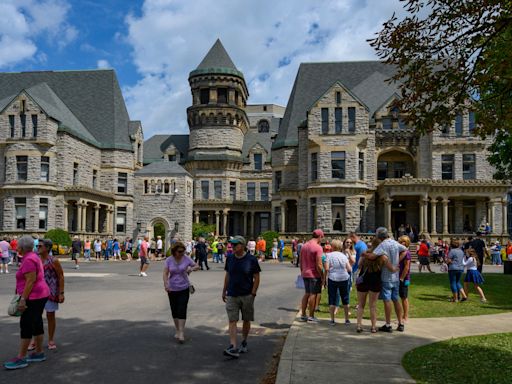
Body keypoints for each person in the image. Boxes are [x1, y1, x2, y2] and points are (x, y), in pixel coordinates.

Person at [4, 236, 50, 370]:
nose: (15, 247)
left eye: (17, 245)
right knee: (36, 323)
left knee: (26, 324)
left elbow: (31, 280)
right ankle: (38, 352)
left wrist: (22, 299)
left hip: (34, 296)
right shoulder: (33, 256)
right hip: (40, 294)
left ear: (22, 247)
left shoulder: (29, 259)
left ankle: (21, 357)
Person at [222, 236, 261, 358]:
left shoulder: (251, 259)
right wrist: (224, 291)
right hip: (232, 294)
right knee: (232, 320)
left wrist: (253, 293)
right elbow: (228, 275)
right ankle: (233, 346)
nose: (232, 247)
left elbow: (257, 277)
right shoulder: (230, 258)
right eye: (232, 245)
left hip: (246, 294)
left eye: (235, 245)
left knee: (246, 319)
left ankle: (244, 341)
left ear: (243, 245)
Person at [365, 227, 407, 333]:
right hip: (396, 277)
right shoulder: (394, 243)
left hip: (386, 276)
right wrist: (398, 261)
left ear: (379, 236)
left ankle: (388, 324)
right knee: (396, 299)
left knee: (387, 300)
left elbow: (372, 256)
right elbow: (405, 250)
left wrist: (365, 254)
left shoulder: (383, 245)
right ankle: (400, 322)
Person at [163, 241, 199, 343]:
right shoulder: (169, 260)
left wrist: (191, 269)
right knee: (174, 310)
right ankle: (178, 330)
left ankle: (182, 332)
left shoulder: (186, 258)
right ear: (174, 251)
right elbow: (165, 273)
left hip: (184, 287)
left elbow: (197, 266)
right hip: (172, 288)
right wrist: (166, 284)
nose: (181, 253)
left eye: (183, 251)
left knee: (182, 308)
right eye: (179, 251)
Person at [34, 239, 65, 350]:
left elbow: (60, 276)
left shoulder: (54, 260)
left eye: (40, 246)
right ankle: (35, 340)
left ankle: (51, 339)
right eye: (37, 246)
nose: (37, 248)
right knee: (36, 317)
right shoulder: (36, 260)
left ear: (47, 248)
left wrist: (61, 293)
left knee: (50, 316)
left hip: (50, 292)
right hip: (36, 292)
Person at [355, 237, 388, 333]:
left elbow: (359, 265)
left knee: (361, 305)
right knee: (373, 306)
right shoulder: (382, 256)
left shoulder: (365, 254)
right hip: (375, 281)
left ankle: (359, 325)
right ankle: (373, 327)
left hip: (364, 280)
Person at [324, 239, 352, 325]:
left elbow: (327, 268)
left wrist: (325, 278)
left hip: (333, 278)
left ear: (332, 246)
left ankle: (332, 320)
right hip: (344, 278)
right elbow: (349, 269)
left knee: (332, 298)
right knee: (345, 298)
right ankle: (346, 319)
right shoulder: (343, 256)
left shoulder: (328, 255)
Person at [299, 229, 324, 323]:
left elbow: (300, 261)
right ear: (320, 236)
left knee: (307, 293)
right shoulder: (318, 247)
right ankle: (311, 316)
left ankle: (303, 314)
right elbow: (319, 264)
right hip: (314, 274)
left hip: (305, 273)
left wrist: (302, 272)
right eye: (322, 237)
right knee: (313, 294)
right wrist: (322, 275)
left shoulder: (304, 246)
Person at [397, 235, 412, 322]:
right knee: (398, 297)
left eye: (401, 241)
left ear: (405, 243)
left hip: (404, 278)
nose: (399, 243)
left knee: (404, 297)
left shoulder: (407, 253)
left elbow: (406, 267)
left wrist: (402, 278)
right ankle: (401, 315)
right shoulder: (400, 252)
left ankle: (405, 316)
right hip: (398, 277)